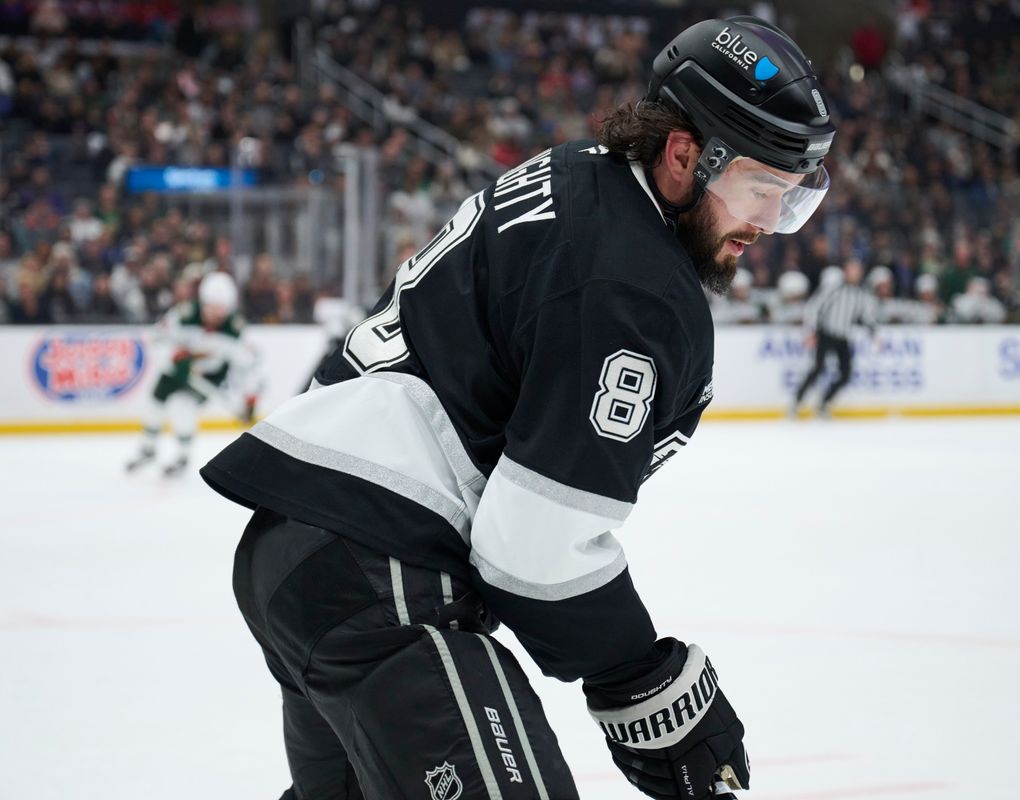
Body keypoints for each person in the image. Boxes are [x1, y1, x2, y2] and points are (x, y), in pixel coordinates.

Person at [200, 16, 836, 800]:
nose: (769, 224)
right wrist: (639, 677)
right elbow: (533, 543)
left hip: (307, 549)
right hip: (380, 573)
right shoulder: (634, 288)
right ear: (682, 155)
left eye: (792, 199)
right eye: (762, 189)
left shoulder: (577, 174)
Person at [127, 271, 260, 477]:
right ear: (204, 302)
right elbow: (157, 339)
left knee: (183, 405)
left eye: (222, 309)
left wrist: (250, 398)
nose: (217, 315)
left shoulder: (236, 329)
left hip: (208, 376)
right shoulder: (184, 315)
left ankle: (183, 456)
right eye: (213, 308)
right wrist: (172, 357)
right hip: (176, 370)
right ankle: (148, 448)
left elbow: (247, 366)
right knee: (155, 404)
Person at [791, 260, 876, 417]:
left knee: (846, 374)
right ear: (845, 271)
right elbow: (814, 308)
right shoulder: (833, 289)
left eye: (857, 270)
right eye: (852, 270)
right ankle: (797, 401)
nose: (855, 273)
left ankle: (824, 402)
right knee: (818, 369)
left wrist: (873, 333)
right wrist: (811, 331)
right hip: (826, 334)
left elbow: (865, 316)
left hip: (843, 337)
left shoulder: (860, 294)